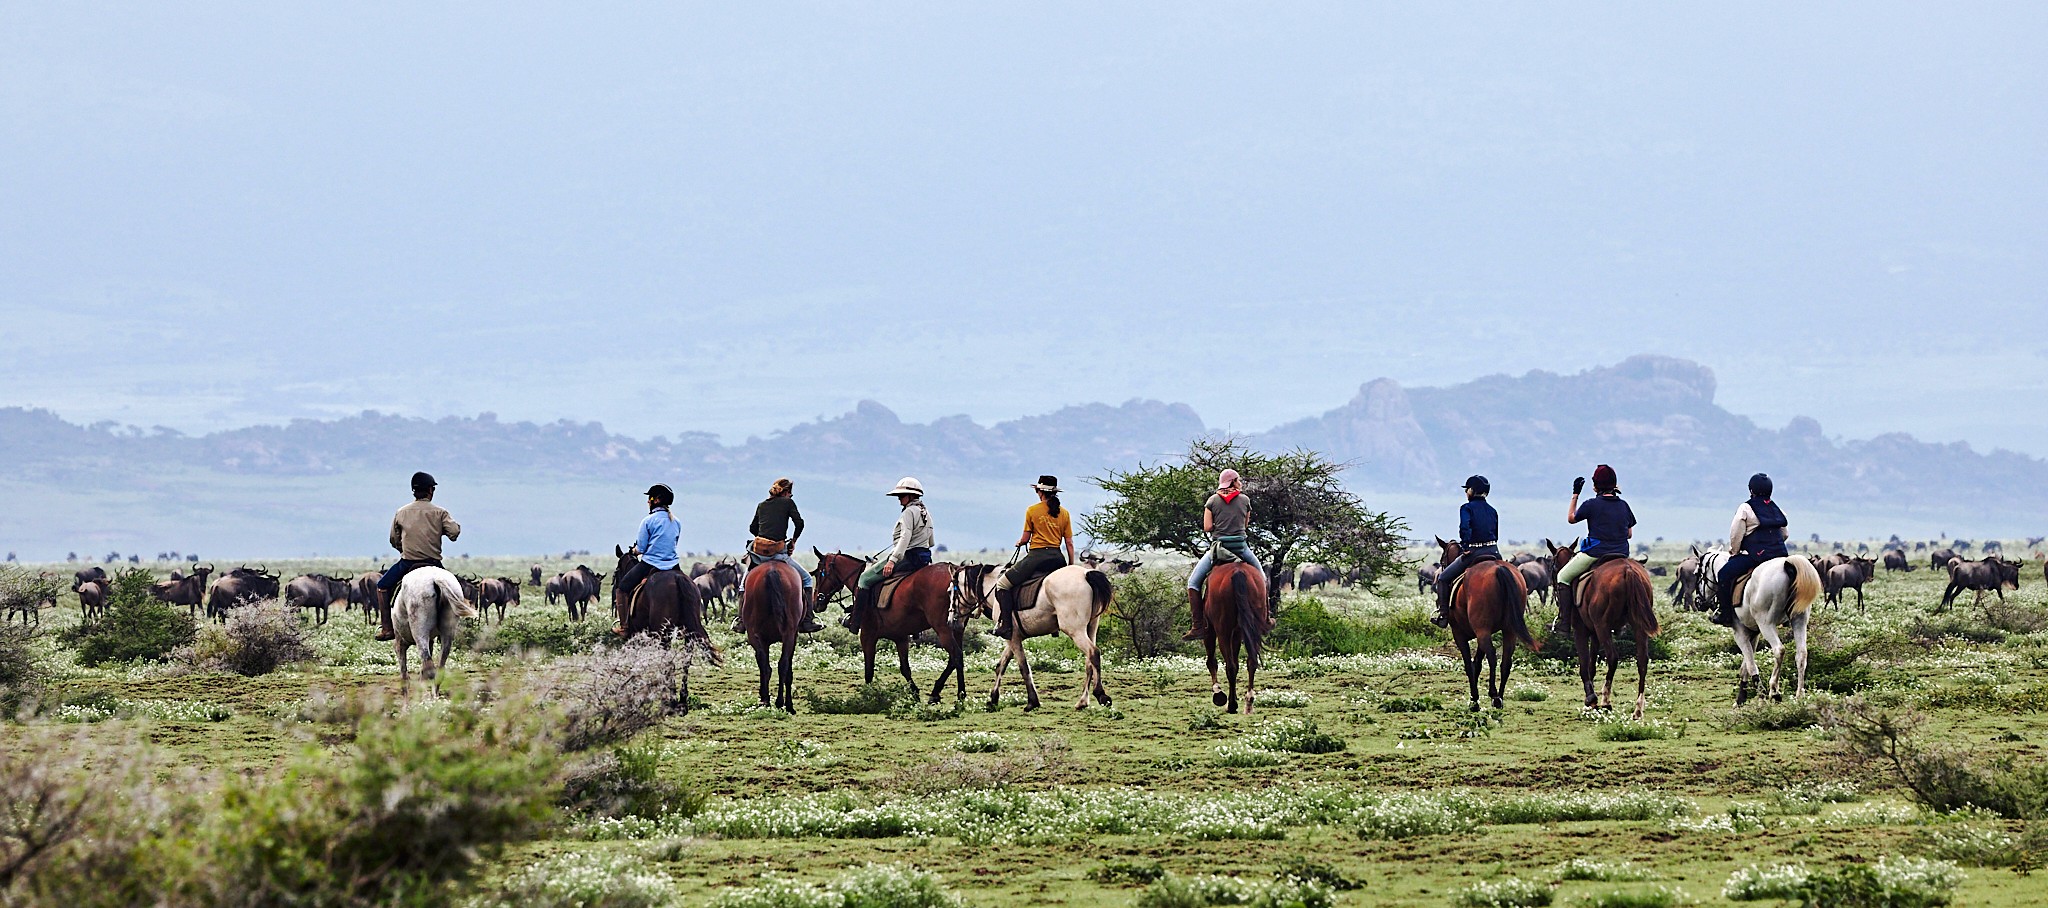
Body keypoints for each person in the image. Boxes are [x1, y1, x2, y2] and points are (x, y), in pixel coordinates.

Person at [374, 472, 462, 641]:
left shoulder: (401, 512)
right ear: (430, 490)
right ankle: (449, 628)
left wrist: (404, 548)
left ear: (414, 491)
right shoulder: (440, 512)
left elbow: (393, 539)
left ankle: (387, 628)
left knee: (382, 586)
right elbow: (454, 533)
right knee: (453, 588)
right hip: (433, 563)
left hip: (408, 562)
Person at [1184, 468, 1267, 640]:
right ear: (1233, 482)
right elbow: (1245, 525)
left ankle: (1198, 626)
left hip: (1218, 548)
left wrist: (1220, 525)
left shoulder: (1212, 500)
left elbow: (1207, 527)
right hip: (1241, 548)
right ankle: (1265, 619)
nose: (1240, 483)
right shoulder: (1245, 500)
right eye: (1238, 480)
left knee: (1193, 582)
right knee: (1262, 578)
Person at [843, 477, 935, 632]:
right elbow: (931, 541)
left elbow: (905, 537)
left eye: (901, 496)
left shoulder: (908, 512)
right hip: (924, 557)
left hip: (908, 556)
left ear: (911, 496)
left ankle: (856, 622)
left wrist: (892, 560)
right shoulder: (925, 512)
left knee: (865, 579)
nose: (899, 499)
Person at [991, 475, 1077, 638]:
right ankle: (1054, 627)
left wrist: (1019, 542)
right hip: (1057, 558)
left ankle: (1006, 626)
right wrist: (1070, 566)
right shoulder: (1065, 513)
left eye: (1037, 490)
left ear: (1040, 492)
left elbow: (1025, 539)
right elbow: (1069, 543)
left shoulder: (1032, 510)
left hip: (1037, 557)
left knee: (1002, 584)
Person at [743, 477, 820, 634]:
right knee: (806, 579)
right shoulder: (788, 503)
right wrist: (793, 541)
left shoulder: (761, 505)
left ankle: (741, 620)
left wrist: (765, 537)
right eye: (790, 493)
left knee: (743, 584)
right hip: (778, 554)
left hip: (758, 556)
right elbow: (800, 523)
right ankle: (807, 620)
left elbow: (752, 528)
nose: (791, 496)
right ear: (785, 492)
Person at [1713, 473, 1789, 627]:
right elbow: (1785, 534)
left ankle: (1725, 614)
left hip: (1756, 556)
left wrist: (1735, 552)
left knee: (1724, 574)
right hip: (1780, 555)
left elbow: (1736, 535)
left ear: (1751, 490)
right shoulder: (1776, 508)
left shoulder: (1745, 508)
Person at [1431, 475, 1500, 628]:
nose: (1466, 492)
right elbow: (1495, 533)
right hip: (1494, 552)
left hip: (1474, 552)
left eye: (1467, 489)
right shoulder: (1493, 510)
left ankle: (1443, 615)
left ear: (1472, 490)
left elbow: (1464, 528)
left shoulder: (1466, 508)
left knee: (1443, 578)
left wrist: (1466, 546)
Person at [612, 483, 681, 635]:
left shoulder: (648, 521)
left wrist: (634, 551)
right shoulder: (676, 522)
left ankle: (624, 627)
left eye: (650, 498)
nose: (648, 501)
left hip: (651, 563)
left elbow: (641, 548)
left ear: (656, 500)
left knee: (622, 588)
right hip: (673, 564)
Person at [1557, 464, 1636, 592]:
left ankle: (1566, 606)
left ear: (1595, 485)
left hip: (1595, 553)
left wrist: (1575, 494)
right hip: (1621, 553)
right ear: (1614, 484)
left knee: (1562, 577)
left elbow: (1571, 519)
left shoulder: (1591, 504)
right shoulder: (1624, 505)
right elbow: (1629, 534)